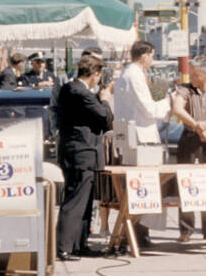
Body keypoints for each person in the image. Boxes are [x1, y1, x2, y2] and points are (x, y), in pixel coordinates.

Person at [55, 54, 113, 261]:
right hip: (82, 152)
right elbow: (105, 117)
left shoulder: (69, 89)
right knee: (77, 200)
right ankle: (64, 246)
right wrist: (105, 99)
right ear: (95, 74)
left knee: (86, 200)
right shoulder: (80, 93)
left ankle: (79, 243)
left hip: (78, 151)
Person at [113, 41, 171, 247]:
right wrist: (167, 102)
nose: (152, 60)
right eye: (152, 55)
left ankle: (139, 231)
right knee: (143, 188)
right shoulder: (134, 75)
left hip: (134, 136)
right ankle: (138, 232)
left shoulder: (127, 75)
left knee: (139, 189)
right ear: (145, 55)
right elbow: (148, 110)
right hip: (141, 138)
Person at [169, 56, 206, 242]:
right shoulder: (185, 90)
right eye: (190, 74)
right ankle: (185, 230)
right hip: (189, 141)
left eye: (196, 74)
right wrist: (196, 126)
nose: (192, 78)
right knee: (186, 184)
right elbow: (178, 109)